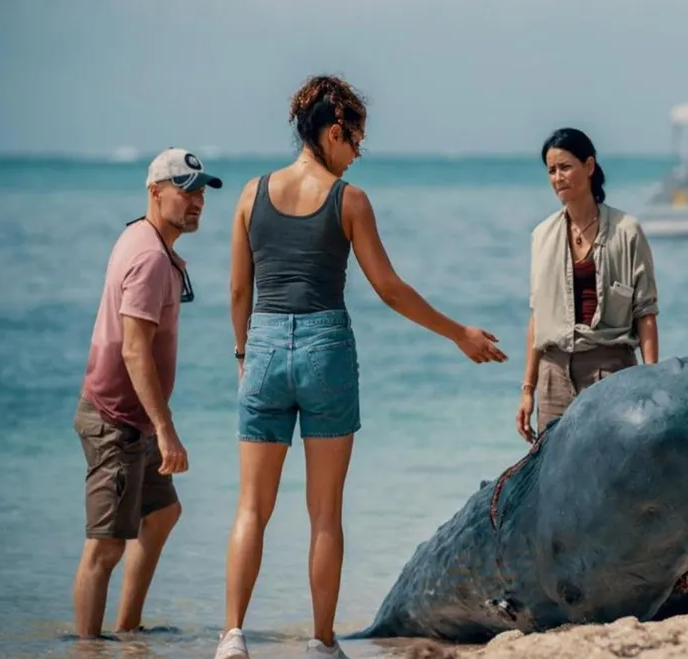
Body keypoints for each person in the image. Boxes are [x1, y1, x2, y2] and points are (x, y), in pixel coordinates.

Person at [215, 74, 507, 659]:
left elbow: (238, 293)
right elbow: (390, 289)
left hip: (265, 345)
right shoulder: (349, 201)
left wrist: (245, 356)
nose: (355, 157)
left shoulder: (250, 195)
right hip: (325, 348)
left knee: (252, 505)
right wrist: (458, 333)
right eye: (355, 143)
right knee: (325, 512)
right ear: (333, 130)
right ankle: (321, 643)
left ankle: (232, 637)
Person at [71, 147, 221, 638]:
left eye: (200, 192)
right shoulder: (150, 257)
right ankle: (89, 649)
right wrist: (166, 429)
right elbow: (135, 352)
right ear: (155, 192)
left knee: (162, 514)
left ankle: (128, 631)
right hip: (117, 419)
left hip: (132, 418)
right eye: (185, 190)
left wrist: (154, 424)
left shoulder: (142, 234)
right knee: (105, 548)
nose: (196, 201)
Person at [515, 127, 660, 442]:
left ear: (589, 167)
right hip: (552, 377)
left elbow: (645, 312)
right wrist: (528, 390)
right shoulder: (541, 236)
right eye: (551, 171)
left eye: (565, 167)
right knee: (553, 482)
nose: (557, 178)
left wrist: (652, 380)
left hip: (611, 371)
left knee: (612, 474)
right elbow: (537, 317)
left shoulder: (627, 231)